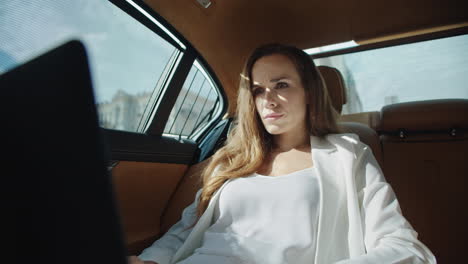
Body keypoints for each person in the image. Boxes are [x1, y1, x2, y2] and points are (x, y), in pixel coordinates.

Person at [128, 43, 436, 264]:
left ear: (309, 93)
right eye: (259, 90)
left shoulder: (348, 155)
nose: (268, 101)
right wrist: (150, 260)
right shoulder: (230, 161)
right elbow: (184, 232)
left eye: (282, 85)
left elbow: (403, 247)